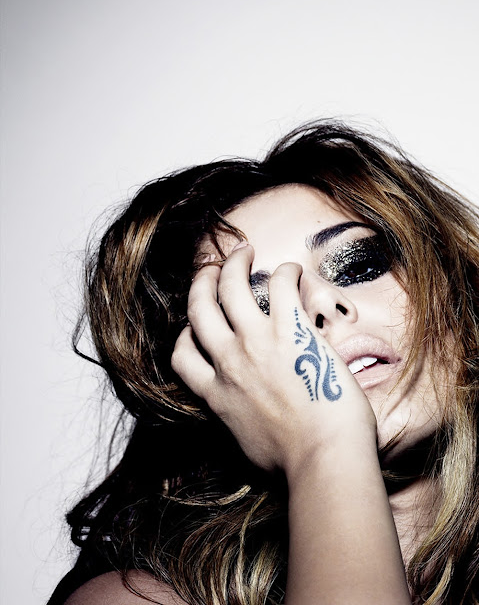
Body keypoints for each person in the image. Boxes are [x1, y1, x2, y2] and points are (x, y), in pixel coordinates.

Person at [48, 119, 479, 605]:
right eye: (260, 308)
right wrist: (324, 447)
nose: (318, 305)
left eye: (358, 265)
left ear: (458, 295)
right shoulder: (133, 599)